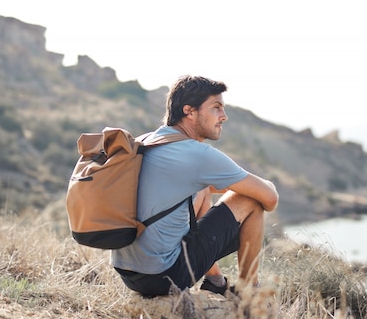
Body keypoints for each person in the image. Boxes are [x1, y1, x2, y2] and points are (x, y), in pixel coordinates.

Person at [111, 75, 279, 297]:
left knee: (201, 189)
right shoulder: (198, 155)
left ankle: (215, 280)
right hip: (165, 276)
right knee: (251, 200)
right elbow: (269, 198)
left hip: (128, 272)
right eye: (216, 108)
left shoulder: (147, 141)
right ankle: (248, 290)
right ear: (189, 111)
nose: (224, 117)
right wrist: (264, 184)